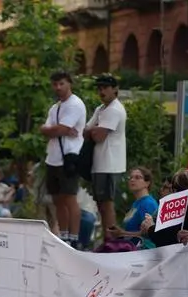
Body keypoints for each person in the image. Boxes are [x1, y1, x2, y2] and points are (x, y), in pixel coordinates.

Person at [40, 70, 87, 248]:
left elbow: (57, 129)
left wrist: (58, 129)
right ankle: (64, 234)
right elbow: (46, 129)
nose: (58, 88)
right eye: (55, 84)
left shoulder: (75, 104)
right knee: (57, 198)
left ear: (69, 84)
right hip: (53, 157)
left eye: (62, 83)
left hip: (69, 156)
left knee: (69, 197)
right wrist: (55, 129)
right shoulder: (55, 108)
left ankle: (74, 237)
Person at [84, 73, 127, 232]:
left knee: (107, 204)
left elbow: (98, 136)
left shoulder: (114, 109)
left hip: (110, 164)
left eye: (105, 88)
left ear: (115, 89)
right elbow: (86, 132)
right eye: (99, 88)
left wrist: (93, 130)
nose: (102, 91)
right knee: (101, 205)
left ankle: (113, 242)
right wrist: (94, 130)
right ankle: (107, 239)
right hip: (99, 164)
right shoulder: (101, 109)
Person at [104, 166, 158, 247]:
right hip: (131, 249)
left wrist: (122, 233)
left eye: (137, 177)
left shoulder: (148, 203)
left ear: (147, 183)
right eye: (131, 177)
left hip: (143, 251)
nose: (132, 180)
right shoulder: (135, 204)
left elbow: (150, 232)